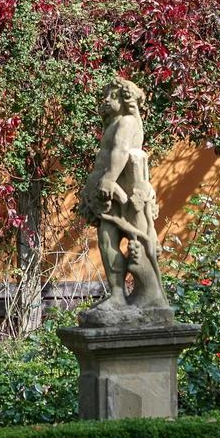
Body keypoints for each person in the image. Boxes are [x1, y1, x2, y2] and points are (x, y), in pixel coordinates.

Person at [79, 76, 170, 326]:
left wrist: (108, 180)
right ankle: (118, 294)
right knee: (107, 240)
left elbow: (120, 152)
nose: (106, 100)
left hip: (124, 195)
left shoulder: (128, 122)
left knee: (117, 240)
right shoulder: (117, 122)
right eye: (106, 95)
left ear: (125, 99)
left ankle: (132, 295)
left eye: (113, 96)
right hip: (115, 195)